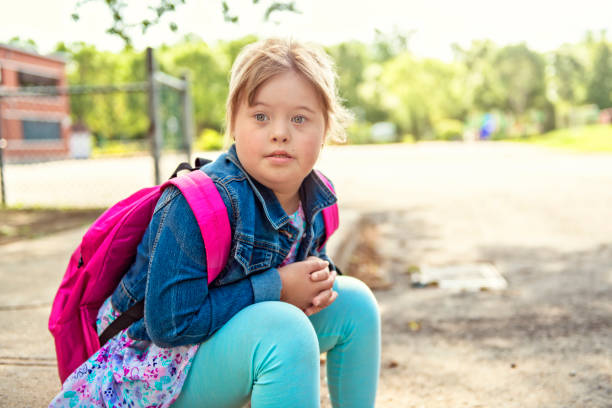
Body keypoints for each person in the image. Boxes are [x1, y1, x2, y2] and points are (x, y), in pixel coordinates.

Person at [49, 37, 381, 408]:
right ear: (234, 125)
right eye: (260, 116)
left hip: (228, 348)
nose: (280, 132)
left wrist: (319, 283)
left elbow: (301, 280)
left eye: (300, 118)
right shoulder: (199, 205)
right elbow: (170, 325)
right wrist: (277, 288)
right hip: (152, 374)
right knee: (286, 332)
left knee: (356, 304)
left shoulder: (318, 198)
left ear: (327, 129)